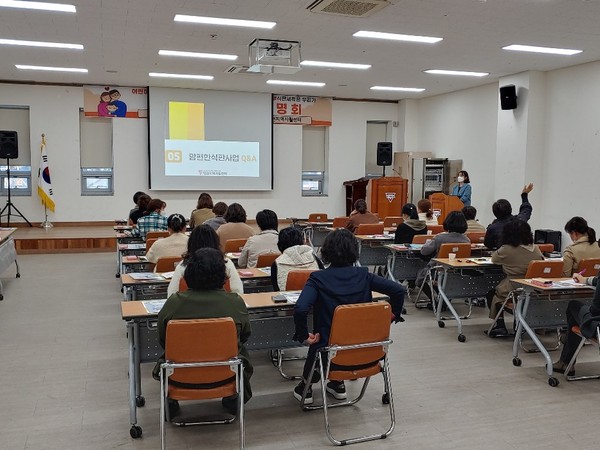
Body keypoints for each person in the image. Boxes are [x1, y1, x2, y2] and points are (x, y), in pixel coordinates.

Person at [292, 229, 405, 404]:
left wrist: (303, 335)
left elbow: (300, 308)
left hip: (331, 352)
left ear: (326, 252)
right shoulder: (364, 276)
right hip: (368, 350)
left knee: (319, 341)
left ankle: (306, 388)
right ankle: (337, 384)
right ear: (354, 252)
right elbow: (398, 290)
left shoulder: (318, 279)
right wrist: (392, 315)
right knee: (337, 338)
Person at [157, 247, 252, 414]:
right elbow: (245, 335)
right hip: (227, 375)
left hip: (179, 377)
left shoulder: (173, 303)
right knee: (240, 352)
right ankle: (232, 399)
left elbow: (163, 339)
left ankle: (170, 402)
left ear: (188, 273)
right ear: (224, 274)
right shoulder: (235, 303)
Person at [486, 219, 544, 337]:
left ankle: (500, 325)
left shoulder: (507, 249)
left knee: (493, 294)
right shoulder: (535, 248)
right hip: (533, 288)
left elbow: (494, 259)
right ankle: (519, 323)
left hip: (513, 287)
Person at [167, 225, 243, 297]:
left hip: (190, 308)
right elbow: (238, 292)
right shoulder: (227, 263)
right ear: (215, 242)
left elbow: (171, 293)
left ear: (191, 243)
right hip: (222, 308)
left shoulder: (183, 265)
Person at [417, 211, 470, 304]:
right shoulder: (466, 240)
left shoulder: (440, 238)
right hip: (457, 272)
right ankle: (444, 300)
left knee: (420, 277)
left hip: (436, 271)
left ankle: (434, 300)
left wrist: (427, 242)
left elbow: (424, 251)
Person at [553, 272, 600, 375]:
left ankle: (566, 360)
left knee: (573, 306)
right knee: (577, 313)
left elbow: (595, 310)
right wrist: (584, 280)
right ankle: (565, 359)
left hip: (596, 325)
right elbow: (597, 281)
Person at [484, 183, 534, 250]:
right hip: (524, 255)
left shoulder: (492, 228)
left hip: (503, 257)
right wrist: (524, 195)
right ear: (510, 209)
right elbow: (526, 210)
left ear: (494, 213)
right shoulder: (520, 221)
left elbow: (488, 244)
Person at [271, 227, 323, 291]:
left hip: (287, 300)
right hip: (315, 299)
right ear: (302, 241)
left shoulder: (276, 263)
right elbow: (324, 280)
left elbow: (276, 290)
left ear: (280, 244)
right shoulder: (315, 259)